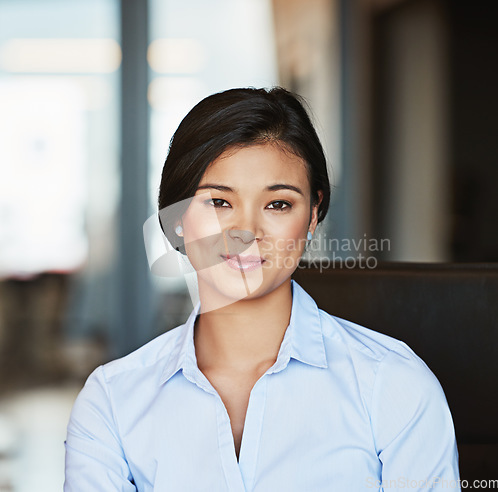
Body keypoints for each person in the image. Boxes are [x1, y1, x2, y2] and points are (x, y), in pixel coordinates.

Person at [64, 87, 460, 491]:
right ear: (177, 219)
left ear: (312, 216)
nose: (246, 233)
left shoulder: (393, 385)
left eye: (278, 204)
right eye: (219, 202)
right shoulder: (112, 403)